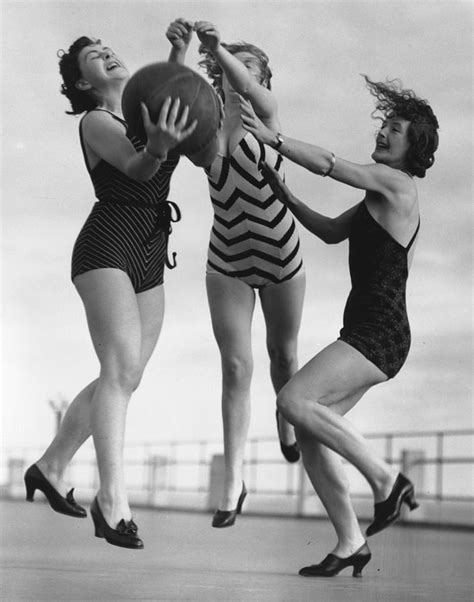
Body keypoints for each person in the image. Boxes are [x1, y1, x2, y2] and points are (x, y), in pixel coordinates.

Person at [240, 76, 439, 575]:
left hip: (380, 333)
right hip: (370, 331)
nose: (385, 133)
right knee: (309, 431)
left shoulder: (396, 185)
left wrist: (272, 139)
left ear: (412, 147)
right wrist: (283, 193)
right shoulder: (377, 198)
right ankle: (351, 541)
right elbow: (330, 232)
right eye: (386, 125)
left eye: (396, 129)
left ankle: (386, 480)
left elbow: (330, 165)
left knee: (292, 401)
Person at [24, 35, 202, 549]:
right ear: (85, 83)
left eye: (106, 46)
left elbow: (171, 97)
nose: (107, 53)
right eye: (93, 57)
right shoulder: (97, 121)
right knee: (121, 370)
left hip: (150, 245)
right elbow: (137, 167)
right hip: (107, 243)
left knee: (123, 375)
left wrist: (179, 55)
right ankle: (113, 501)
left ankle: (52, 466)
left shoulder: (145, 112)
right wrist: (161, 148)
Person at [166, 19, 306, 527]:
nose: (237, 73)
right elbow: (170, 99)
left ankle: (286, 422)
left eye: (248, 66)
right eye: (229, 65)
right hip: (227, 257)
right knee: (235, 367)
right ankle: (234, 480)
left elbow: (244, 85)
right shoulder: (208, 123)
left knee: (283, 357)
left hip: (279, 255)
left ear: (263, 79)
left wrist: (217, 49)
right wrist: (181, 52)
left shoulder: (264, 109)